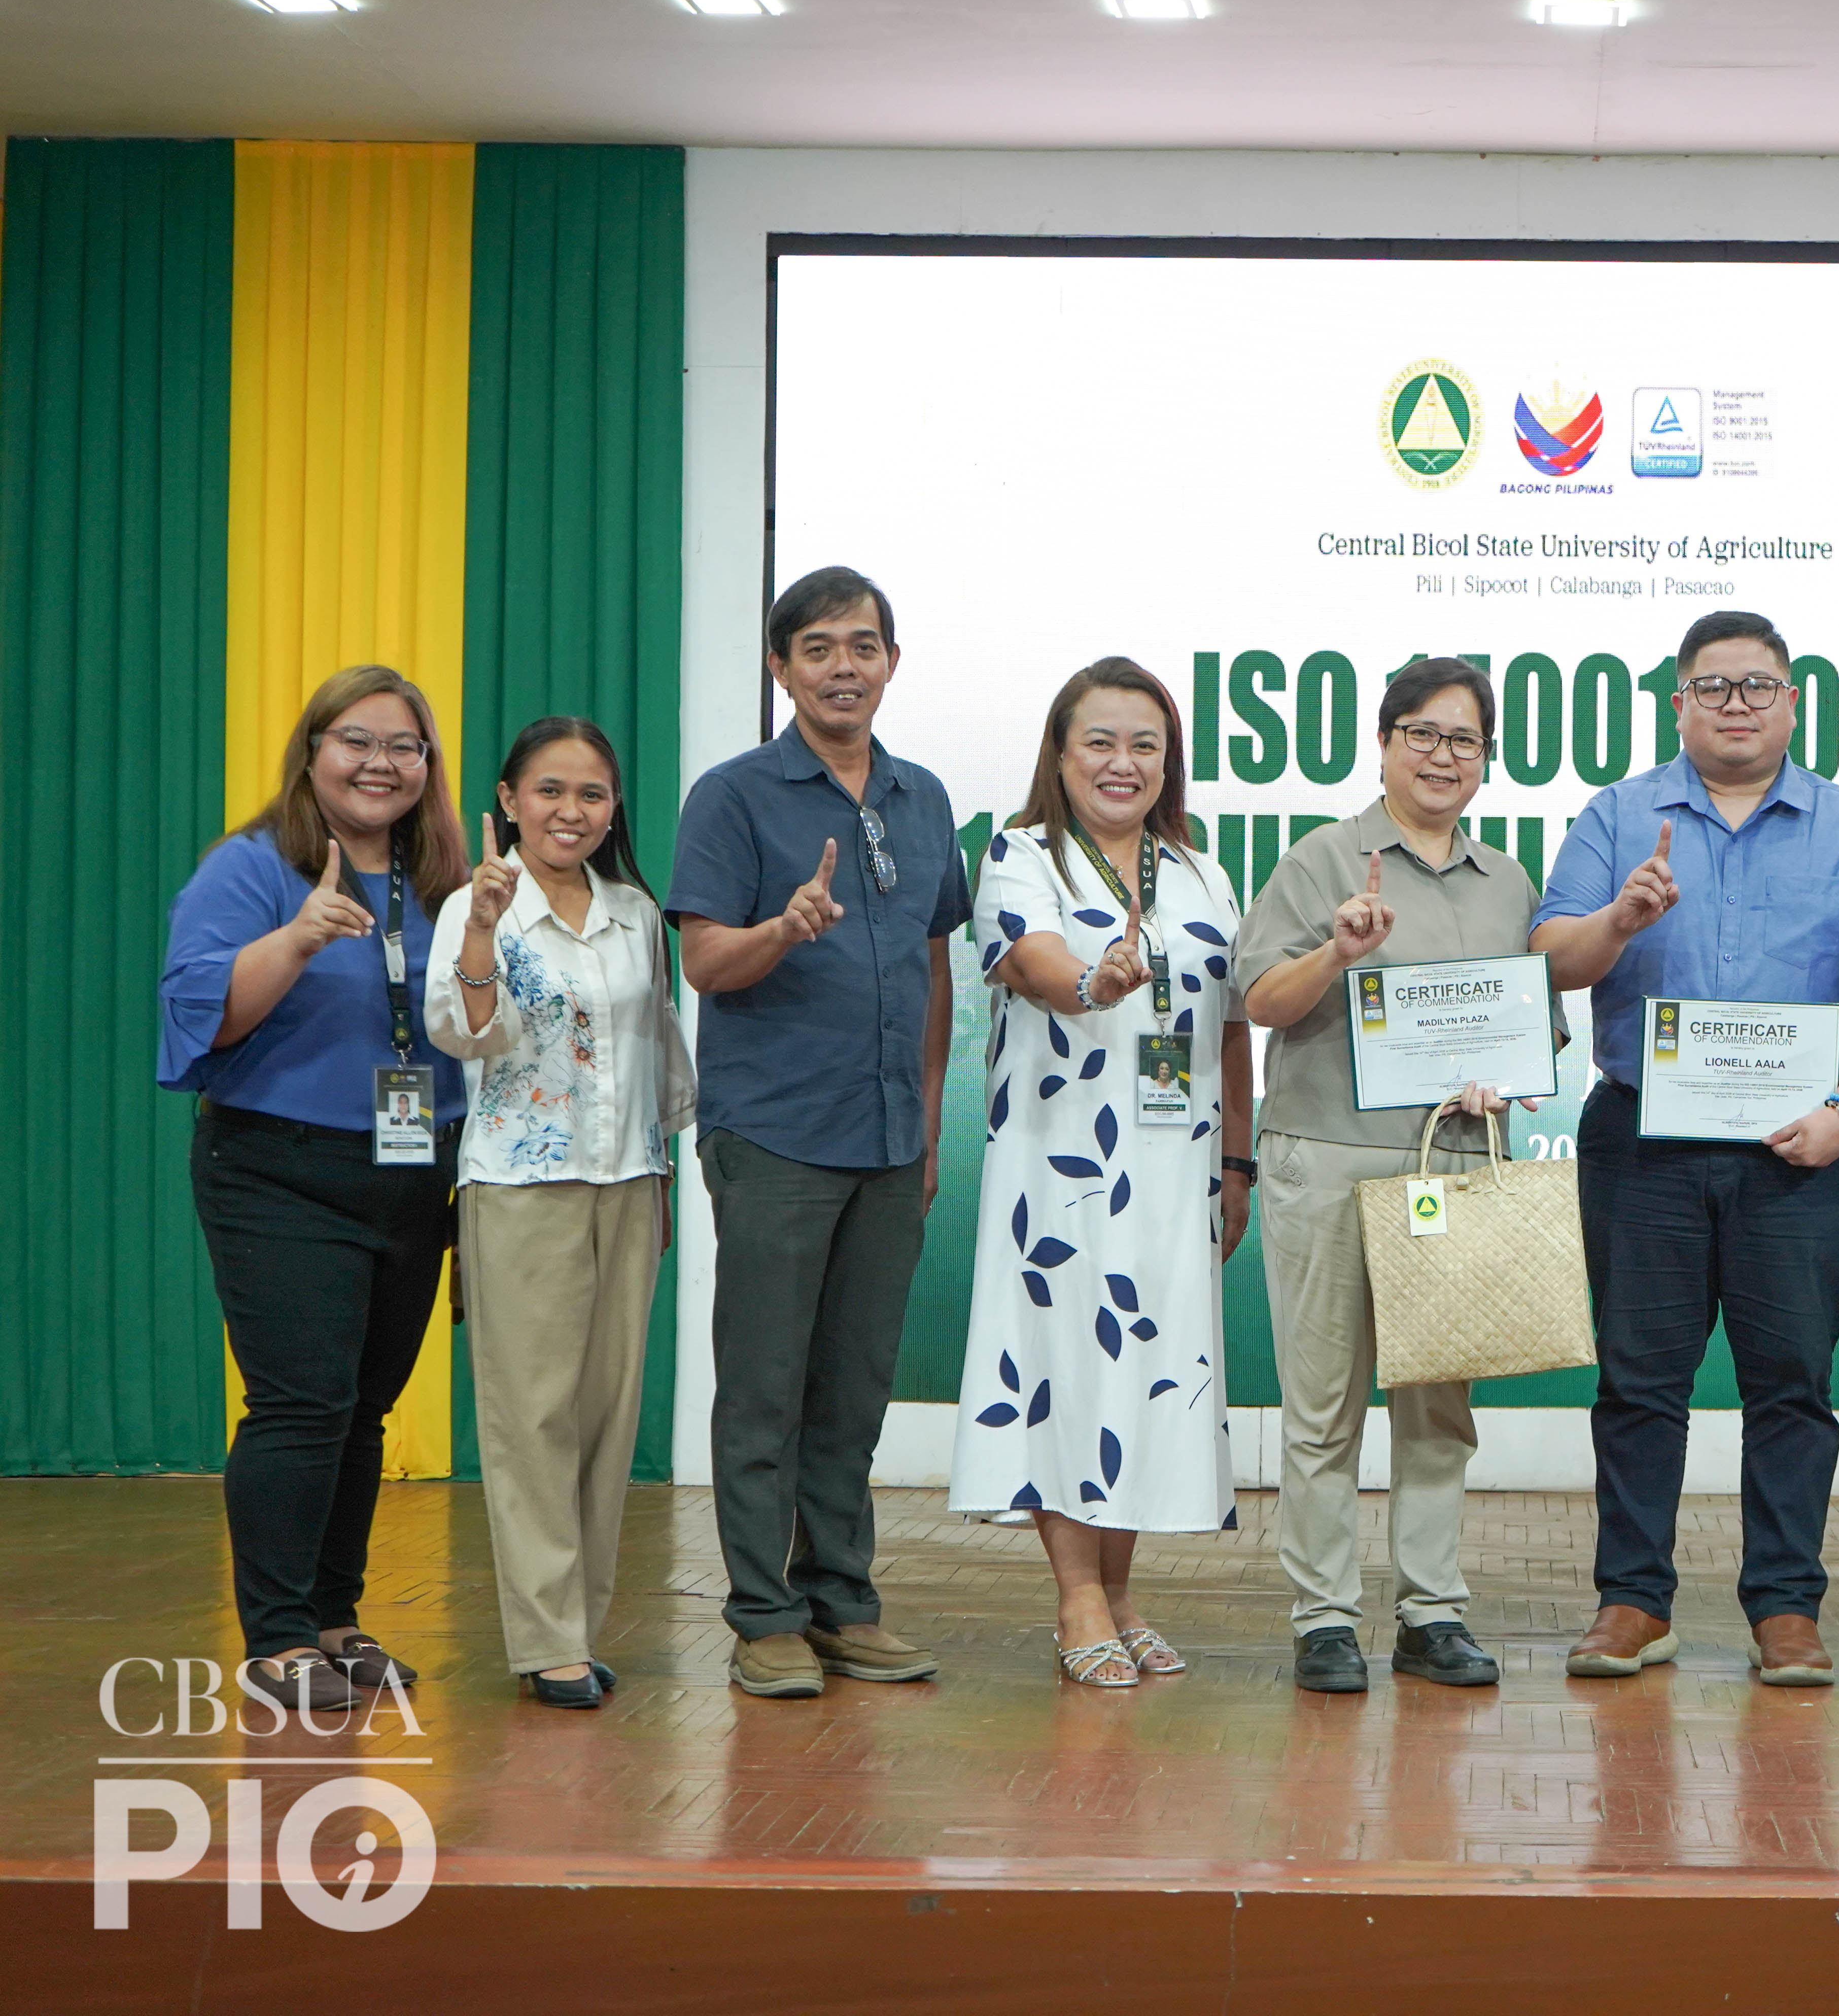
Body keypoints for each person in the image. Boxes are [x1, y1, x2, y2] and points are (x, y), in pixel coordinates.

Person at [1533, 609, 1839, 1688]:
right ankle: (1633, 1600)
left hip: (1798, 1147)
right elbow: (1553, 958)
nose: (1736, 704)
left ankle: (1786, 1608)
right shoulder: (1619, 814)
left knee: (1793, 1383)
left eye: (1758, 685)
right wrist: (1621, 919)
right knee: (1638, 1383)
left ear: (1793, 702)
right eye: (1712, 686)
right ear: (1679, 704)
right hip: (1642, 1141)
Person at [669, 566, 973, 1700]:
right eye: (819, 648)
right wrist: (784, 929)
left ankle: (843, 1601)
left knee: (853, 1391)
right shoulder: (735, 796)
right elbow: (705, 963)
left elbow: (936, 966)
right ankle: (764, 1617)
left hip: (891, 1138)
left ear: (892, 661)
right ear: (780, 666)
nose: (845, 667)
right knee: (764, 1388)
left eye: (864, 645)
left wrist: (928, 1120)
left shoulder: (921, 796)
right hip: (777, 1136)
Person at [1236, 655, 1555, 1693]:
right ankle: (1325, 1619)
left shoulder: (1508, 880)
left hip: (1450, 1167)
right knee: (1323, 1405)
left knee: (1437, 1406)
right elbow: (1260, 1000)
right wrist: (1337, 952)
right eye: (1422, 732)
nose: (1442, 756)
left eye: (1464, 739)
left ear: (1487, 759)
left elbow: (1531, 1026)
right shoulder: (1323, 860)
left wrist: (1509, 1080)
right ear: (1383, 742)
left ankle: (1432, 1613)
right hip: (1328, 1157)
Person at [158, 666, 470, 1714]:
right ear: (313, 752)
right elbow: (208, 1015)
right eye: (357, 741)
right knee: (301, 1405)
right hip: (279, 1168)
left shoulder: (441, 879)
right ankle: (279, 1636)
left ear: (428, 767)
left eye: (405, 747)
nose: (382, 763)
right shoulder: (251, 867)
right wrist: (296, 936)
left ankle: (336, 1618)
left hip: (414, 1169)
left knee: (364, 1410)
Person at [949, 657, 1253, 1687]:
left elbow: (1233, 1027)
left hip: (1178, 1168)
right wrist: (1093, 982)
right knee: (1066, 1368)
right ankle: (1077, 1595)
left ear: (1169, 761)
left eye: (1145, 745)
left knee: (1145, 1372)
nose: (1124, 763)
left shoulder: (1202, 872)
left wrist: (1239, 1160)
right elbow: (1031, 963)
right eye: (1102, 742)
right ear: (1061, 752)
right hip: (1061, 1163)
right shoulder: (1020, 853)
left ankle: (1122, 1594)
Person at [425, 717, 694, 1710]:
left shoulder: (635, 911)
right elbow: (465, 1033)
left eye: (591, 794)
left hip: (628, 1183)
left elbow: (659, 1045)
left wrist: (663, 1172)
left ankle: (579, 1624)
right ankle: (546, 1640)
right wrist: (485, 931)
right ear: (508, 800)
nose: (569, 811)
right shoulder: (476, 907)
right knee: (532, 1417)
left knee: (607, 1417)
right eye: (549, 791)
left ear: (614, 808)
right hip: (521, 1189)